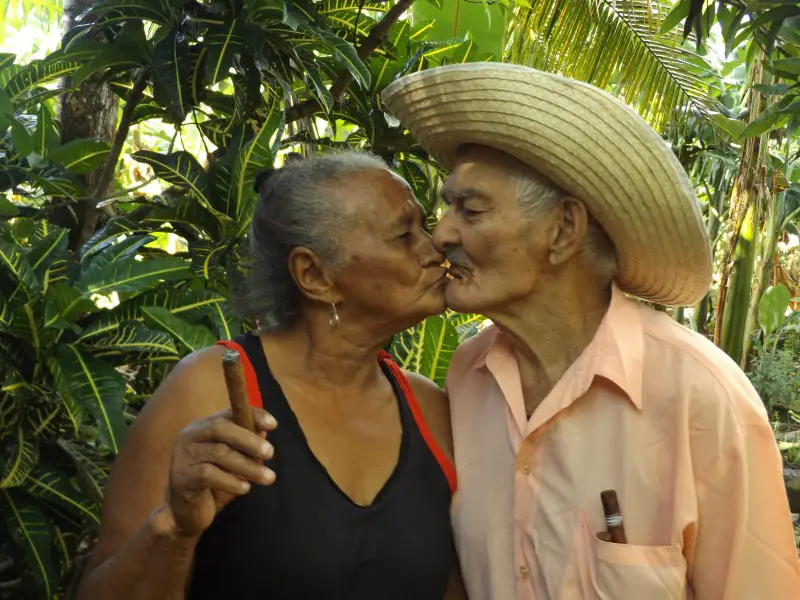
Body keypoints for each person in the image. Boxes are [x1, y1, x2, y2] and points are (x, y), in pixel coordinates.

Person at [382, 63, 800, 599]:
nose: (441, 234)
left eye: (470, 209)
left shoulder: (702, 396)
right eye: (447, 207)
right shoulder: (468, 375)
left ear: (564, 230)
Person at [77, 151, 466, 600]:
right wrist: (174, 529)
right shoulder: (208, 389)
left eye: (423, 225)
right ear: (315, 275)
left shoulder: (428, 407)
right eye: (404, 234)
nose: (434, 245)